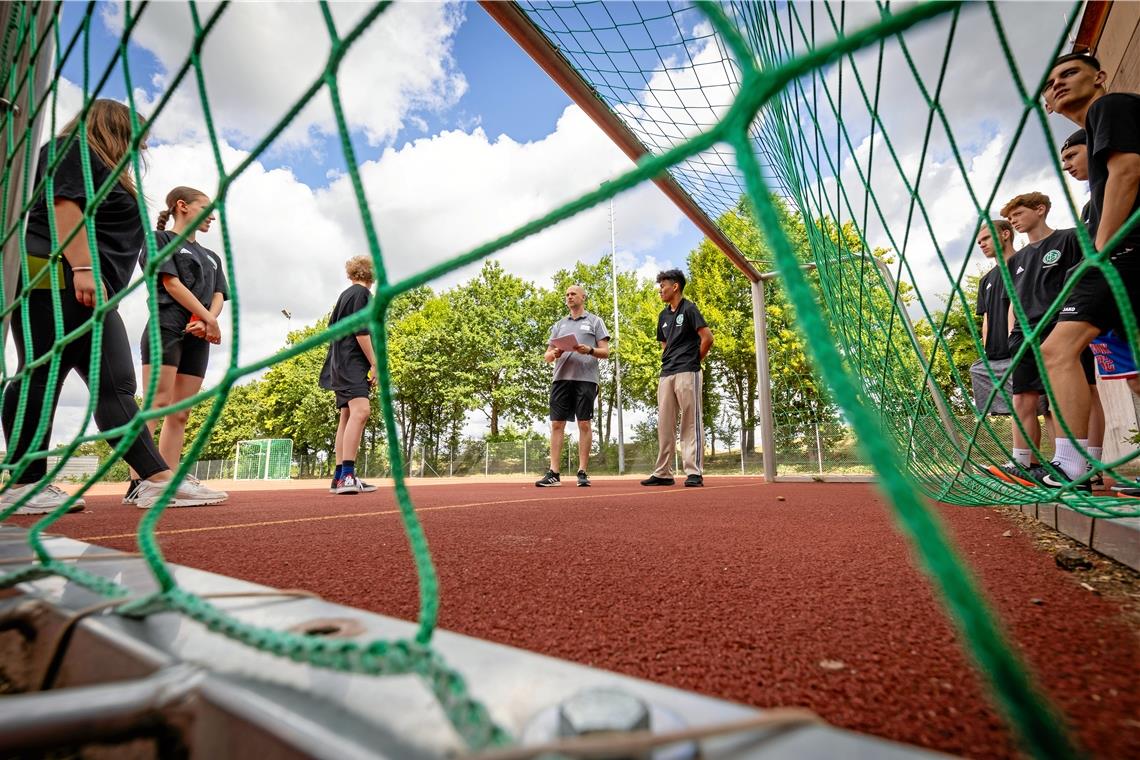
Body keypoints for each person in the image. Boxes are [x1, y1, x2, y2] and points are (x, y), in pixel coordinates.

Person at [1, 99, 226, 513]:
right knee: (41, 377)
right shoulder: (73, 148)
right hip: (56, 280)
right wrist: (83, 268)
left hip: (91, 293)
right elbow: (64, 204)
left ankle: (154, 480)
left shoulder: (106, 169)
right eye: (134, 137)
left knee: (115, 386)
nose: (139, 147)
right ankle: (22, 482)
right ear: (114, 128)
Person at [1039, 52, 1140, 490]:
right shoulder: (1099, 131)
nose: (1058, 84)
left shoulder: (1109, 107)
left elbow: (1128, 170)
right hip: (1125, 254)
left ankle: (1071, 464)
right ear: (1046, 104)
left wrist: (1100, 249)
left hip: (1124, 253)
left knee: (1057, 350)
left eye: (1070, 73)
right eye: (1051, 81)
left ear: (1099, 76)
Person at [123, 187, 229, 505]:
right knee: (157, 403)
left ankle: (168, 481)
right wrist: (208, 319)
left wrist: (206, 318)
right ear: (182, 206)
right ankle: (139, 482)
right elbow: (171, 283)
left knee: (180, 413)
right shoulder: (158, 240)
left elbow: (220, 294)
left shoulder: (212, 257)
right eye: (205, 207)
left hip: (197, 335)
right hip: (165, 328)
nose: (212, 215)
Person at [994, 192, 1101, 487]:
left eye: (1018, 213)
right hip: (1024, 334)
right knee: (1022, 397)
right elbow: (1014, 300)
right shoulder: (1017, 259)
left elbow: (1086, 279)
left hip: (1062, 326)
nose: (1013, 220)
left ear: (1039, 210)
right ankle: (1021, 462)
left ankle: (1090, 462)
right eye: (1010, 216)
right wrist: (1012, 334)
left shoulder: (1070, 239)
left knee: (1082, 392)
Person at [1058, 128, 1140, 399]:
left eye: (1072, 155)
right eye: (1063, 159)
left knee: (1057, 353)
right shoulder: (1087, 208)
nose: (1066, 165)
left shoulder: (1124, 176)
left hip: (1124, 277)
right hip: (1101, 292)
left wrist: (1102, 251)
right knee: (1134, 380)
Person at [641, 269, 713, 487]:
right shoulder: (663, 316)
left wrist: (693, 361)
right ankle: (663, 473)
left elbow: (707, 338)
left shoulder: (690, 309)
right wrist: (670, 360)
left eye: (663, 286)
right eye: (659, 286)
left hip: (687, 371)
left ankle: (694, 472)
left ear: (675, 286)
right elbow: (665, 345)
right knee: (665, 424)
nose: (660, 290)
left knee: (690, 422)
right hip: (667, 373)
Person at [534, 285, 610, 487]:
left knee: (584, 423)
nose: (569, 297)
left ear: (583, 297)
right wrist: (554, 354)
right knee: (557, 424)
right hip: (561, 379)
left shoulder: (595, 321)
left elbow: (606, 352)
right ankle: (554, 473)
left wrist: (589, 350)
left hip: (586, 379)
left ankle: (582, 471)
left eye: (573, 294)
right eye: (567, 294)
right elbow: (547, 356)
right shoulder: (559, 324)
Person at [320, 256, 379, 495]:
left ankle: (339, 476)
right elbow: (361, 331)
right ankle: (347, 476)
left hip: (339, 362)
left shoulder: (344, 296)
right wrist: (374, 363)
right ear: (372, 275)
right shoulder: (362, 295)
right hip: (351, 362)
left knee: (346, 415)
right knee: (361, 411)